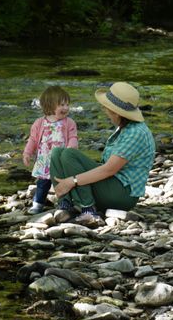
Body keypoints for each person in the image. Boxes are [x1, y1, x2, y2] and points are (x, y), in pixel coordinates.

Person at [50, 81, 155, 226]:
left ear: (117, 112)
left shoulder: (136, 133)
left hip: (122, 194)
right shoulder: (125, 127)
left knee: (69, 155)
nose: (104, 110)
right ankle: (65, 204)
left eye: (106, 107)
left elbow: (109, 169)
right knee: (57, 152)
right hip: (111, 185)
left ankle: (88, 209)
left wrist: (72, 181)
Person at [22, 85, 79, 214]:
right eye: (62, 105)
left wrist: (70, 149)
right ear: (50, 105)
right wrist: (27, 153)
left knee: (63, 182)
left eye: (67, 104)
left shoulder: (69, 122)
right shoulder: (39, 123)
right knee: (42, 183)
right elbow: (33, 139)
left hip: (61, 159)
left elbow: (73, 137)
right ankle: (38, 203)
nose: (66, 108)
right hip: (44, 160)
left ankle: (65, 202)